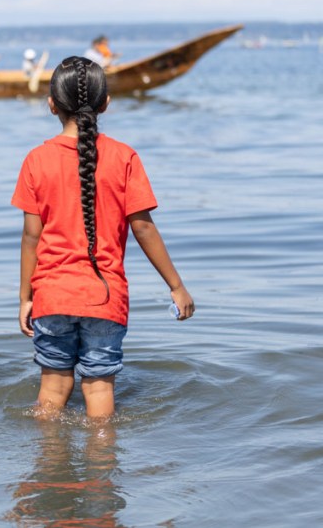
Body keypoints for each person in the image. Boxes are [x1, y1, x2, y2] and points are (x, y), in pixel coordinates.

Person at [12, 55, 194, 419]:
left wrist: (25, 297)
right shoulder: (124, 157)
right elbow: (143, 227)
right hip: (105, 297)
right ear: (106, 103)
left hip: (52, 295)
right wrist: (176, 285)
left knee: (51, 392)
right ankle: (102, 472)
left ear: (51, 105)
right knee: (99, 396)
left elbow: (31, 237)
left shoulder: (36, 159)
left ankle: (48, 470)